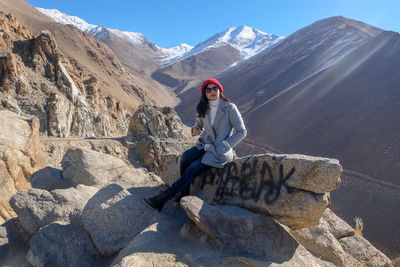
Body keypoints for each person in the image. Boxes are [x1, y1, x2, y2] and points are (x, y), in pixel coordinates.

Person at [143, 78, 247, 211]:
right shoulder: (203, 107)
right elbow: (198, 124)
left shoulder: (229, 108)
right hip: (205, 144)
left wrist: (225, 145)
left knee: (193, 167)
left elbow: (242, 131)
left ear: (220, 90)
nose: (212, 91)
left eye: (215, 88)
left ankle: (163, 198)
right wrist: (194, 130)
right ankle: (184, 190)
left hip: (220, 149)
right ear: (205, 93)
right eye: (208, 89)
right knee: (185, 157)